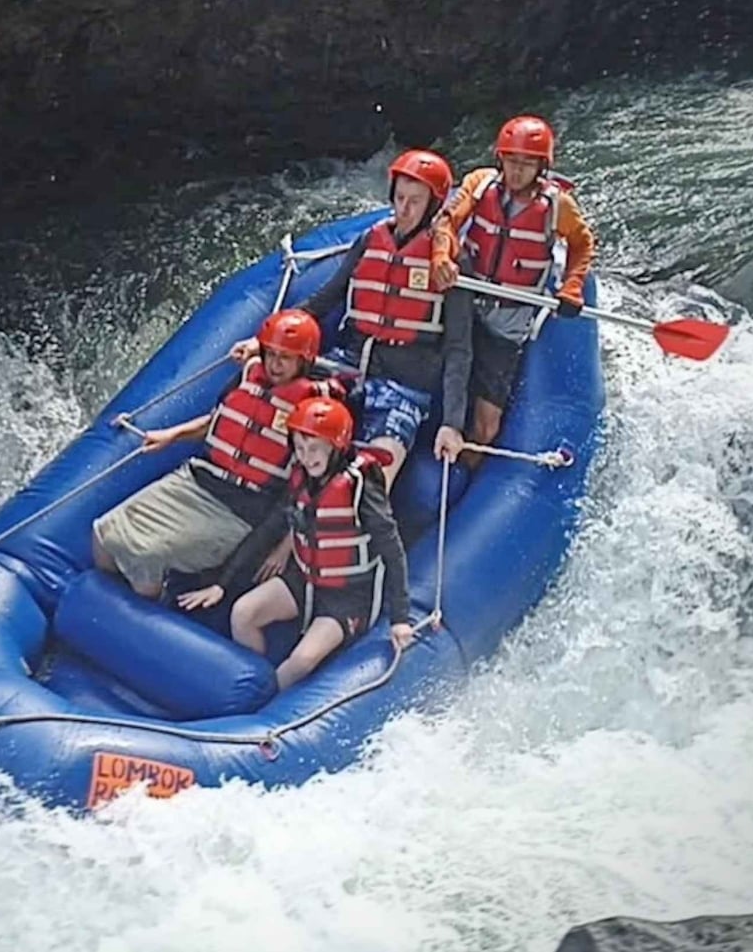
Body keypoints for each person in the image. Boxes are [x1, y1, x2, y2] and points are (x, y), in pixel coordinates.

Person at [232, 149, 473, 490]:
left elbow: (459, 348)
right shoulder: (371, 240)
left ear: (433, 206)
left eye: (415, 202)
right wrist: (263, 343)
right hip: (347, 366)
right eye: (400, 198)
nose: (404, 209)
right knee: (282, 420)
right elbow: (324, 300)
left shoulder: (449, 263)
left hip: (405, 384)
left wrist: (452, 423)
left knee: (372, 482)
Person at [92, 309, 344, 599]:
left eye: (284, 358)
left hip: (239, 509)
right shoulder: (251, 373)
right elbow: (223, 419)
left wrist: (283, 546)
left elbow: (312, 488)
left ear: (304, 360)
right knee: (103, 536)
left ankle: (147, 612)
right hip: (197, 479)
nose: (274, 364)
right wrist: (172, 435)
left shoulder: (317, 409)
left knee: (145, 555)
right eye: (270, 353)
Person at [179, 396, 415, 690]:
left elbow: (392, 549)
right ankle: (253, 684)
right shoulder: (301, 478)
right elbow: (267, 531)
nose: (306, 457)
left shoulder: (361, 488)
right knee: (242, 613)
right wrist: (222, 584)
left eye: (314, 448)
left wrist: (400, 618)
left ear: (336, 446)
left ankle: (266, 704)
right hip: (305, 578)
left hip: (349, 595)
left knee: (302, 660)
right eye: (300, 448)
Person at [430, 115, 597, 458]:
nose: (516, 171)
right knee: (438, 376)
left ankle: (467, 470)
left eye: (526, 163)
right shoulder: (480, 184)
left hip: (510, 317)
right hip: (467, 301)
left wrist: (573, 285)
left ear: (541, 166)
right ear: (499, 158)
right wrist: (441, 256)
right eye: (511, 161)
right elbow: (447, 222)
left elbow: (582, 244)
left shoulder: (557, 207)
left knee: (487, 425)